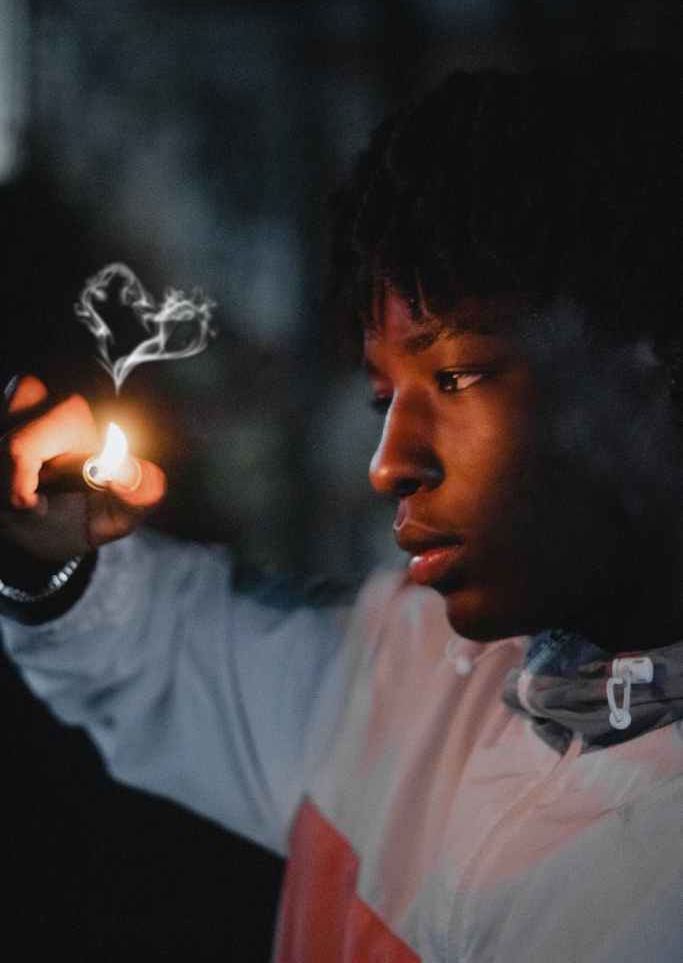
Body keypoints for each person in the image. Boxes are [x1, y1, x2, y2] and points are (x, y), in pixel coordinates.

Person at [0, 52, 681, 962]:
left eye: (455, 375)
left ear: (659, 356)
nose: (387, 464)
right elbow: (160, 655)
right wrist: (45, 555)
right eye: (382, 399)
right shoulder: (409, 674)